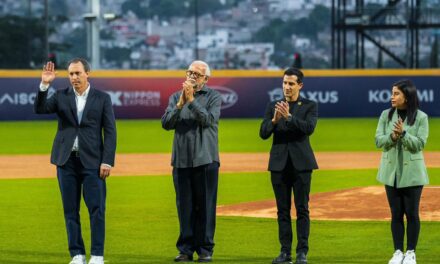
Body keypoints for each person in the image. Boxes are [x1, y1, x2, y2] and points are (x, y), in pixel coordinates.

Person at [34, 59, 117, 264]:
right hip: (66, 161)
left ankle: (97, 255)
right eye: (71, 74)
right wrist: (45, 85)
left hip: (93, 162)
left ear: (87, 73)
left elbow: (110, 131)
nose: (74, 78)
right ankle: (77, 254)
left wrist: (107, 161)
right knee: (70, 210)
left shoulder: (102, 98)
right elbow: (40, 108)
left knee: (97, 209)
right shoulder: (61, 96)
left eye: (78, 73)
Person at [161, 60, 221, 263]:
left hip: (206, 159)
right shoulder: (175, 97)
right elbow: (166, 124)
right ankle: (185, 249)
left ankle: (205, 249)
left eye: (196, 73)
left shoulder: (213, 96)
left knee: (205, 206)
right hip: (181, 160)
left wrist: (192, 100)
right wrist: (180, 104)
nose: (192, 75)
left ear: (206, 78)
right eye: (189, 72)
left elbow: (208, 120)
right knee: (184, 206)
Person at [260, 68, 318, 264]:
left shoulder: (310, 106)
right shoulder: (273, 106)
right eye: (285, 83)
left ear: (300, 85)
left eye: (291, 83)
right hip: (278, 165)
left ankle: (302, 252)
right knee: (282, 210)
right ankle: (285, 252)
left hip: (301, 165)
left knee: (302, 209)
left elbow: (308, 129)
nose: (287, 87)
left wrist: (290, 118)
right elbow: (263, 133)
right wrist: (275, 120)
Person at [375, 80, 429, 264]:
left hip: (413, 173)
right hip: (391, 172)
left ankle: (411, 252)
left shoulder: (421, 117)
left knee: (412, 213)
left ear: (407, 96)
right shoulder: (385, 115)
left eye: (396, 93)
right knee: (396, 213)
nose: (392, 97)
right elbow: (378, 141)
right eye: (392, 93)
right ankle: (398, 252)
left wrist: (404, 134)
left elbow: (420, 144)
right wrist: (392, 136)